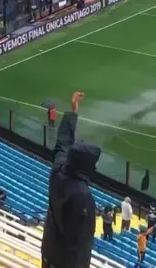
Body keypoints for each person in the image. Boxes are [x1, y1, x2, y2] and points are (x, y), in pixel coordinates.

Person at [41, 92, 100, 268]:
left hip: (49, 253)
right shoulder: (84, 198)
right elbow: (81, 248)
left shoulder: (58, 170)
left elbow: (62, 143)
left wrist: (73, 112)